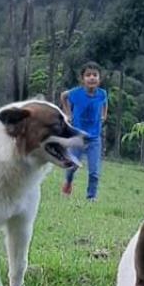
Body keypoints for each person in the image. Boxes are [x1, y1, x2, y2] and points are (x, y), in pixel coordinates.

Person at [60, 63, 108, 200]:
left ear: (99, 78)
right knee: (71, 166)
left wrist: (104, 115)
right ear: (82, 79)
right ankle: (68, 183)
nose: (92, 78)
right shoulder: (76, 93)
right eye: (88, 75)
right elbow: (63, 96)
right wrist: (68, 114)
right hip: (77, 136)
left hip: (94, 138)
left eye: (95, 75)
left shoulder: (102, 94)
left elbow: (105, 103)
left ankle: (91, 198)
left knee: (94, 172)